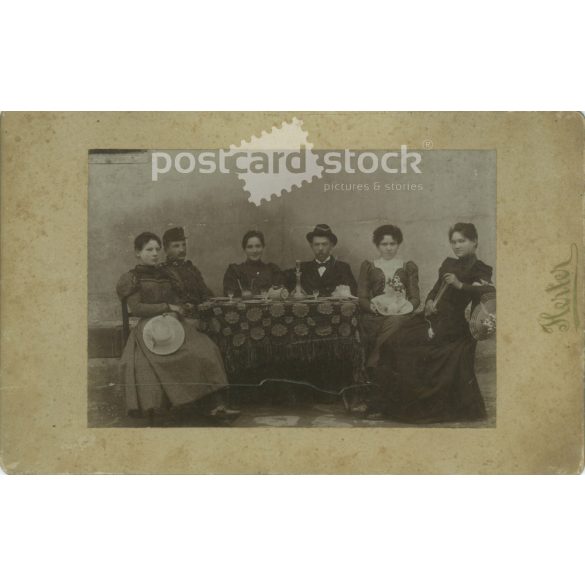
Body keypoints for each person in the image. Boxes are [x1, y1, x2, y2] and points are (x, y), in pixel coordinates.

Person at [369, 222, 495, 423]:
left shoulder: (481, 269)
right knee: (393, 342)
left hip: (452, 326)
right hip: (430, 318)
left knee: (411, 348)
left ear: (475, 242)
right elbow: (436, 289)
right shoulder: (448, 263)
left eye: (462, 241)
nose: (457, 246)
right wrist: (428, 302)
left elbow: (487, 292)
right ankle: (392, 405)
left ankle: (414, 408)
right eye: (453, 241)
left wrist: (460, 285)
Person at [116, 231, 239, 424]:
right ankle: (164, 409)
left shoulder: (168, 275)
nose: (155, 253)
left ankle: (216, 405)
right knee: (149, 361)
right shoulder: (131, 278)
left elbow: (176, 300)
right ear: (137, 253)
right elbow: (137, 307)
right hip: (148, 327)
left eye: (157, 249)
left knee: (206, 348)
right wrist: (166, 307)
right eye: (149, 250)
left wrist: (175, 311)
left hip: (173, 322)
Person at [357, 224, 420, 369]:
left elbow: (415, 298)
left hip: (400, 312)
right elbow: (362, 297)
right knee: (377, 324)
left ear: (398, 244)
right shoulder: (369, 266)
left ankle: (372, 362)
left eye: (393, 244)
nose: (389, 248)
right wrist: (372, 307)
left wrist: (403, 307)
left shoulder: (407, 267)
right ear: (377, 245)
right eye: (384, 244)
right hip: (376, 313)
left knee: (396, 321)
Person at [287, 224, 357, 296]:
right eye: (317, 244)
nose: (320, 248)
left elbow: (354, 293)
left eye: (324, 244)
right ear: (311, 246)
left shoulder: (343, 268)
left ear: (331, 246)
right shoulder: (301, 268)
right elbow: (281, 281)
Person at [162, 226, 214, 307]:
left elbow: (206, 293)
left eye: (184, 245)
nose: (182, 250)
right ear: (166, 250)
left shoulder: (191, 269)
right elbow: (167, 300)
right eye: (176, 246)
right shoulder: (162, 271)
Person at [223, 230, 284, 296]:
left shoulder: (272, 270)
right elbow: (229, 295)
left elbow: (280, 295)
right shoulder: (235, 271)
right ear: (244, 249)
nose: (254, 251)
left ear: (263, 247)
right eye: (250, 247)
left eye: (258, 246)